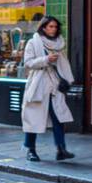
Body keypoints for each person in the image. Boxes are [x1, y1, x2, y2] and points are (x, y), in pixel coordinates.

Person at [21, 16, 74, 162]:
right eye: (50, 26)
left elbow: (64, 65)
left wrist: (67, 80)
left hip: (55, 86)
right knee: (33, 119)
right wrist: (45, 60)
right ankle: (30, 150)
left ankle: (61, 149)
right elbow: (28, 63)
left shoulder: (59, 44)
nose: (53, 29)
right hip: (39, 85)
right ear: (43, 27)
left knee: (59, 118)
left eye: (55, 27)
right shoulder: (33, 42)